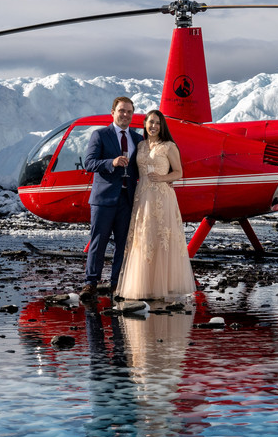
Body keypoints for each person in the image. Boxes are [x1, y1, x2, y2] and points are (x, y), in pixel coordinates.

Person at [114, 109, 196, 301]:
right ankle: (143, 285)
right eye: (151, 122)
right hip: (142, 196)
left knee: (161, 237)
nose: (154, 126)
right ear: (145, 124)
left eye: (158, 123)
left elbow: (178, 172)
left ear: (162, 126)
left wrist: (163, 178)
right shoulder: (140, 145)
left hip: (162, 197)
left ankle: (164, 286)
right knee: (143, 237)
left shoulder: (169, 146)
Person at [81, 96, 141, 298]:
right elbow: (89, 163)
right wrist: (111, 163)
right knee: (98, 242)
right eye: (122, 111)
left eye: (129, 112)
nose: (125, 115)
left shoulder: (138, 139)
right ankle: (91, 283)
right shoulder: (100, 134)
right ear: (113, 112)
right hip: (104, 199)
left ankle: (117, 283)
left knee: (123, 244)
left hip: (127, 198)